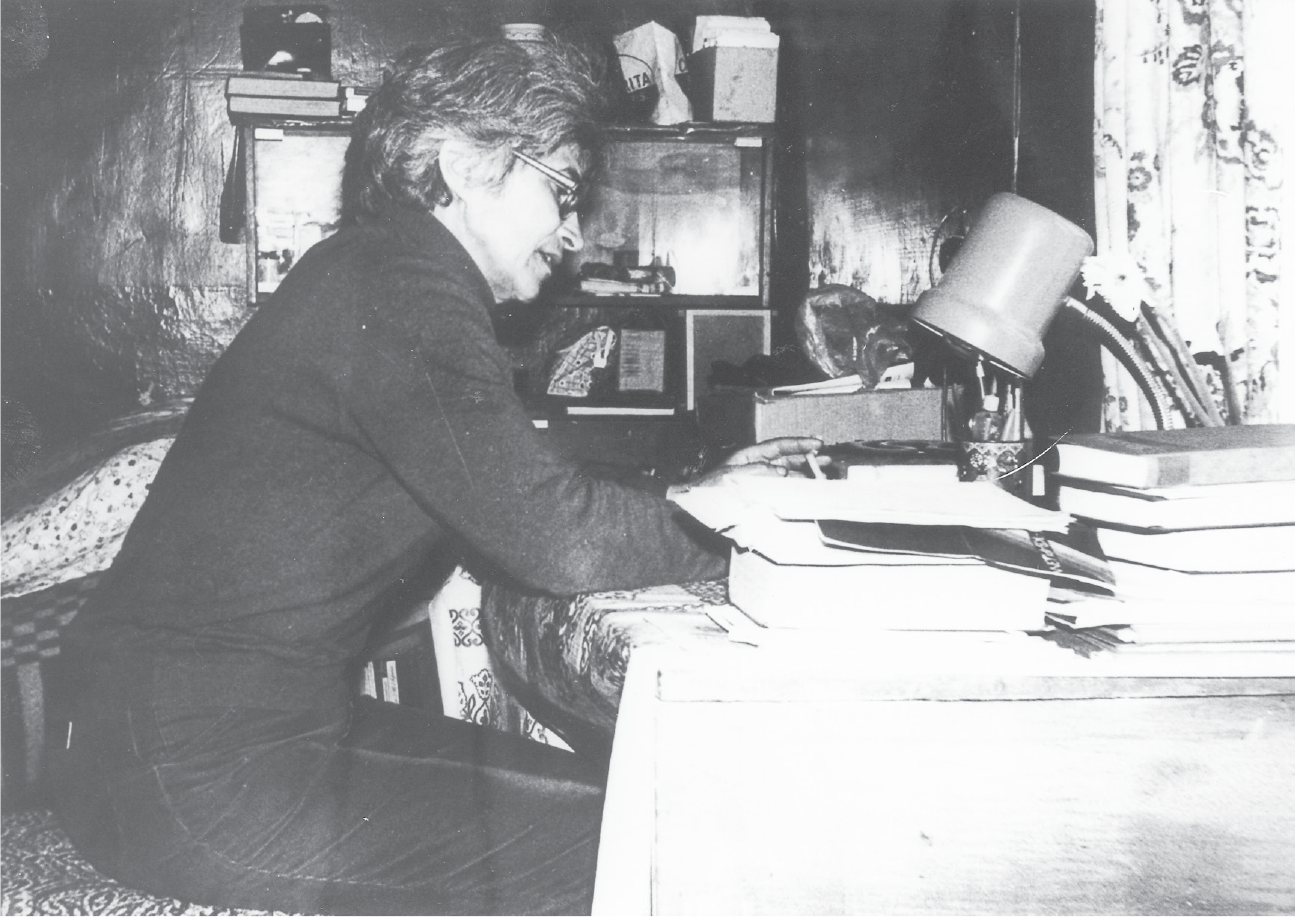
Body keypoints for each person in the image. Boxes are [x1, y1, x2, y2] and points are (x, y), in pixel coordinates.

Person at [50, 34, 817, 916]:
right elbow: (552, 533)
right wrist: (730, 529)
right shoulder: (404, 285)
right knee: (657, 842)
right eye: (561, 190)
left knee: (629, 803)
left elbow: (516, 480)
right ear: (459, 162)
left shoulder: (378, 271)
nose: (571, 233)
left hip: (191, 742)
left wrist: (691, 495)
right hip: (194, 774)